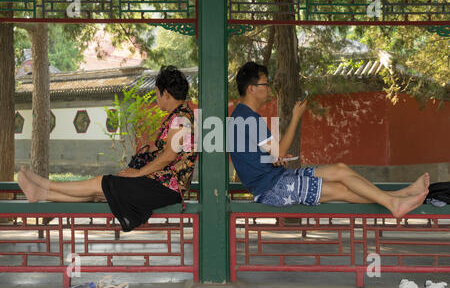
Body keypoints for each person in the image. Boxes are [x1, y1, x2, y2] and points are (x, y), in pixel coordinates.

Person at [228, 61, 429, 219]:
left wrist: (273, 159)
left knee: (339, 169)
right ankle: (395, 201)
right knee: (340, 189)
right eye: (265, 84)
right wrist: (296, 117)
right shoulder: (247, 117)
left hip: (277, 177)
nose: (269, 89)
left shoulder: (243, 115)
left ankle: (400, 196)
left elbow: (257, 156)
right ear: (252, 88)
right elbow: (278, 151)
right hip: (271, 189)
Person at [18, 66, 198, 232]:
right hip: (164, 185)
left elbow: (168, 156)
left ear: (166, 93)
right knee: (101, 192)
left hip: (167, 188)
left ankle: (44, 185)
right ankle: (41, 192)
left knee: (103, 183)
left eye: (157, 94)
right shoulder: (181, 115)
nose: (157, 98)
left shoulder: (181, 119)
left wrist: (139, 173)